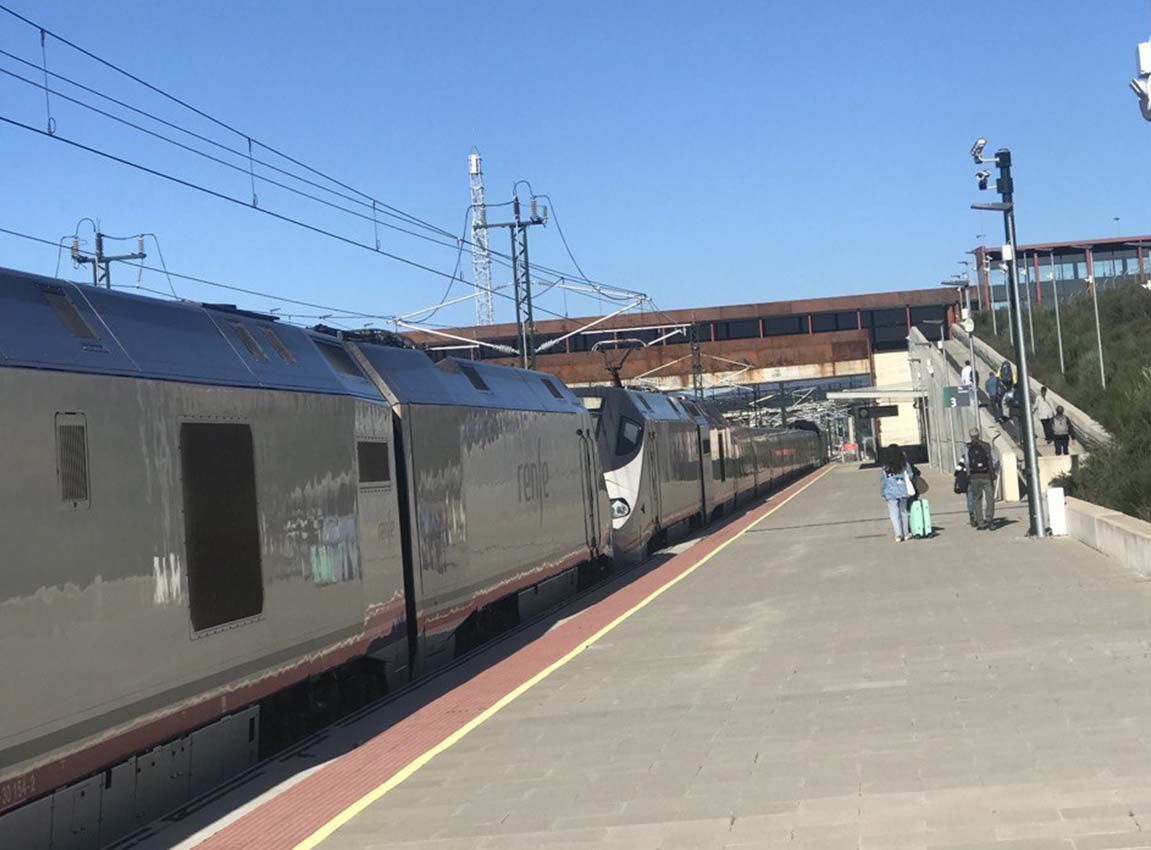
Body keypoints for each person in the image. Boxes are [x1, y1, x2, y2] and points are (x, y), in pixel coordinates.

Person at [965, 428, 999, 530]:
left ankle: (980, 522)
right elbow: (995, 460)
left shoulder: (968, 447)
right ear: (979, 435)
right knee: (990, 499)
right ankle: (989, 520)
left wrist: (969, 475)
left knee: (976, 499)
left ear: (970, 436)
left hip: (974, 477)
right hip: (987, 476)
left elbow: (967, 462)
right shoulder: (986, 446)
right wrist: (993, 471)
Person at [879, 444, 913, 542]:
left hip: (890, 492)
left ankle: (898, 534)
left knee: (894, 513)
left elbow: (883, 481)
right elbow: (910, 475)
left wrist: (882, 492)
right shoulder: (904, 465)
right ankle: (906, 533)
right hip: (903, 491)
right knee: (904, 512)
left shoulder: (886, 467)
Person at [954, 459, 975, 527]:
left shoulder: (964, 457)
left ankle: (972, 515)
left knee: (969, 499)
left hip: (966, 481)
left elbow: (957, 471)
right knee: (977, 499)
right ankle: (978, 516)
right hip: (977, 478)